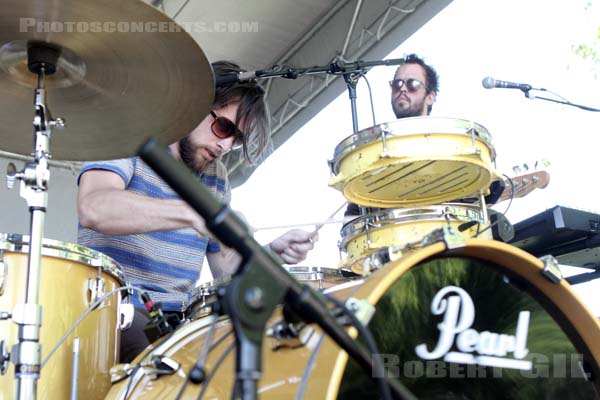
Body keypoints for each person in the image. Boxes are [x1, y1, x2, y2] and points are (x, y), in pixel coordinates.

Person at [77, 61, 317, 362]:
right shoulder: (131, 137)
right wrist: (190, 211)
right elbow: (94, 207)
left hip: (179, 323)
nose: (225, 145)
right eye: (223, 127)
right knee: (158, 360)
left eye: (236, 139)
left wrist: (269, 253)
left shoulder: (216, 178)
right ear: (194, 105)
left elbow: (224, 269)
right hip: (116, 310)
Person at [345, 53, 439, 217]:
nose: (403, 88)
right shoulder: (377, 153)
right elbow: (352, 219)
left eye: (413, 84)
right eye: (397, 84)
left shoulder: (447, 145)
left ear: (430, 97)